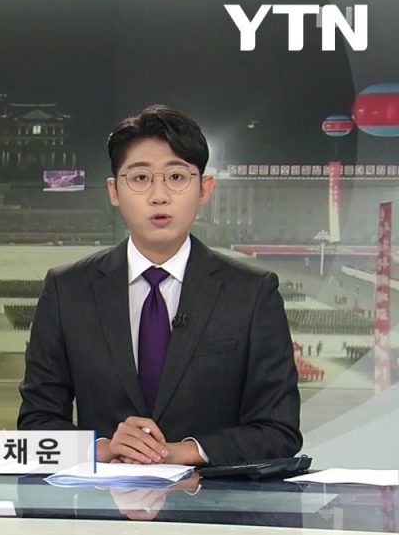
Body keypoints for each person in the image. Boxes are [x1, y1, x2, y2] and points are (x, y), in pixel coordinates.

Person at [17, 105, 301, 466]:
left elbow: (279, 431)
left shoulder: (253, 293)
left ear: (205, 188)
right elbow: (36, 423)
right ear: (114, 191)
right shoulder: (66, 291)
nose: (159, 195)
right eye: (140, 178)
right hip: (101, 498)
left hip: (213, 499)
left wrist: (181, 452)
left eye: (177, 177)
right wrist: (103, 448)